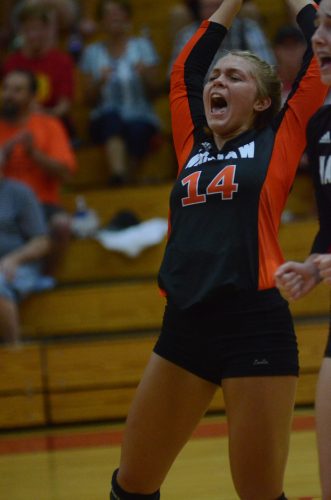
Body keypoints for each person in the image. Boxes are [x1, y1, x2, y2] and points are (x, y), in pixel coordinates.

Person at [110, 1, 327, 499]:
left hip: (254, 326)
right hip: (185, 324)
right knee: (132, 486)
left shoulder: (282, 137)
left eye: (235, 77)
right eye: (216, 78)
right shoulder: (192, 142)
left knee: (257, 493)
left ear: (262, 102)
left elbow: (321, 53)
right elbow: (187, 66)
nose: (218, 84)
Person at [275, 1, 331, 497]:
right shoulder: (322, 124)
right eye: (321, 26)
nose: (318, 37)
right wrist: (317, 264)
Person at [0, 68, 77, 272]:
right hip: (3, 203)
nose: (8, 94)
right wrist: (4, 154)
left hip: (43, 203)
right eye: (6, 88)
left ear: (33, 97)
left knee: (61, 224)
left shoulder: (49, 125)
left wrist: (35, 154)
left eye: (17, 90)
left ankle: (47, 278)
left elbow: (65, 173)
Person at [79, 0, 162, 186]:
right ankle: (119, 175)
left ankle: (125, 180)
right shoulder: (91, 52)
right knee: (111, 119)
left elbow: (156, 91)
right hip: (104, 116)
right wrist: (99, 82)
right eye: (109, 13)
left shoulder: (142, 47)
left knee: (139, 128)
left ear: (127, 17)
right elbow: (87, 99)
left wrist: (145, 77)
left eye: (119, 11)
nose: (115, 16)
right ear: (101, 21)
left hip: (141, 113)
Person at [3, 2, 76, 138]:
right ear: (20, 31)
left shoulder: (62, 61)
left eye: (39, 29)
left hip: (53, 123)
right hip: (16, 124)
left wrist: (44, 115)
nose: (34, 35)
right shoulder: (11, 62)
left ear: (49, 30)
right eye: (29, 29)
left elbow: (64, 106)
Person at [0, 162, 51, 347]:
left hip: (18, 263)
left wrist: (13, 259)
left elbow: (42, 242)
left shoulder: (19, 193)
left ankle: (15, 351)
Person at [168, 0, 276, 76]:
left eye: (218, 7)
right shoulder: (188, 35)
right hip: (202, 100)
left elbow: (267, 69)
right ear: (199, 9)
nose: (216, 13)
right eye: (208, 7)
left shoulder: (248, 28)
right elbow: (178, 77)